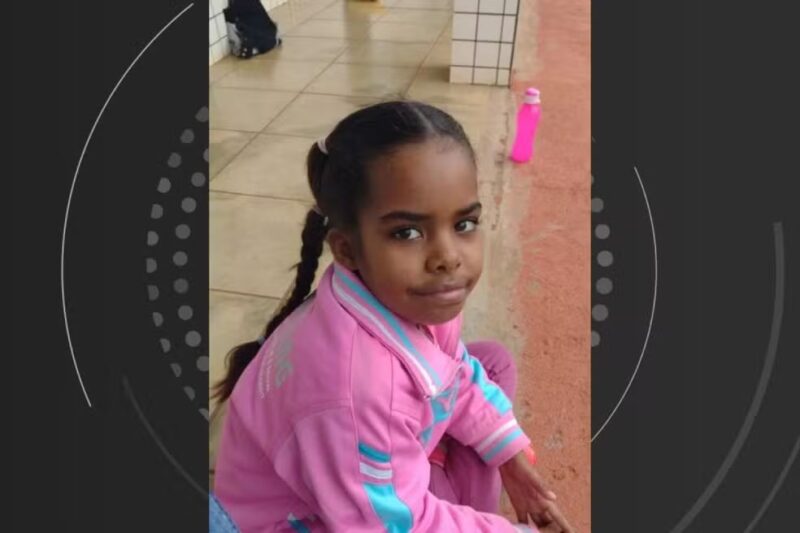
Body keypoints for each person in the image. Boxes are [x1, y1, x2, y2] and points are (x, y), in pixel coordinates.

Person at [212, 100, 574, 533]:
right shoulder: (357, 389)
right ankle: (459, 502)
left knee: (491, 363)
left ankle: (445, 490)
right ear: (347, 250)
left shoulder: (412, 295)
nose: (447, 258)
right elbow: (391, 527)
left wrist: (510, 459)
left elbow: (457, 369)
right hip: (315, 519)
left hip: (360, 464)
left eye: (463, 224)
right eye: (407, 232)